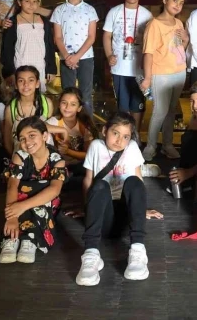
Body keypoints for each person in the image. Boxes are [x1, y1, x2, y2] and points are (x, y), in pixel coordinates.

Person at [75, 112, 164, 287]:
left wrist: (140, 210)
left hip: (126, 220)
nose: (119, 140)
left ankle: (138, 250)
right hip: (103, 220)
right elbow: (88, 180)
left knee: (133, 181)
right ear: (104, 131)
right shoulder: (96, 146)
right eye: (115, 133)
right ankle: (91, 254)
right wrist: (88, 208)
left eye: (125, 136)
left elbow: (138, 181)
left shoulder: (132, 148)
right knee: (100, 185)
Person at [0, 117, 68, 264]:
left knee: (42, 187)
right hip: (21, 198)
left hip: (46, 201)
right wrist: (11, 218)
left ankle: (29, 240)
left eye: (32, 135)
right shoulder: (20, 157)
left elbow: (55, 189)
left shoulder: (56, 159)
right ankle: (12, 239)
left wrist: (22, 206)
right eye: (22, 139)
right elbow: (12, 186)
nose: (27, 142)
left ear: (44, 136)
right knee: (21, 190)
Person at [140, 0, 189, 161]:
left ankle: (168, 145)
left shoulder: (179, 23)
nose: (178, 5)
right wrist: (147, 78)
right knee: (160, 111)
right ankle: (151, 146)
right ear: (164, 0)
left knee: (171, 110)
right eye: (175, 0)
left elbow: (180, 49)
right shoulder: (154, 24)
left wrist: (186, 39)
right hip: (161, 74)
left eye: (181, 2)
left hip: (179, 72)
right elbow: (148, 53)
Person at [102, 0, 153, 133]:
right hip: (120, 68)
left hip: (139, 70)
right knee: (123, 107)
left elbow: (151, 42)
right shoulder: (114, 12)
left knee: (138, 105)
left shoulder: (147, 15)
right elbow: (106, 36)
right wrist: (109, 55)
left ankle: (135, 136)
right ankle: (124, 136)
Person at [51, 0, 99, 115]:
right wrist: (67, 57)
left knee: (85, 94)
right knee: (67, 93)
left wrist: (77, 56)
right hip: (66, 58)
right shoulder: (59, 10)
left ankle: (87, 125)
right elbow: (57, 38)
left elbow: (91, 37)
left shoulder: (90, 10)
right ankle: (68, 123)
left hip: (85, 57)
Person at [0, 0, 57, 89]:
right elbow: (7, 49)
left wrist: (51, 69)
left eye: (35, 1)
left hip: (40, 66)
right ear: (19, 2)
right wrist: (10, 72)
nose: (31, 4)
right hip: (20, 66)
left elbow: (50, 46)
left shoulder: (44, 21)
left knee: (38, 95)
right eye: (27, 1)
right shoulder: (12, 22)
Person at [2, 66, 66, 157]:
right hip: (21, 153)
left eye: (31, 80)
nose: (26, 84)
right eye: (21, 81)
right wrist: (14, 157)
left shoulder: (46, 103)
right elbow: (8, 138)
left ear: (37, 84)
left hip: (44, 153)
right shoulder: (11, 108)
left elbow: (49, 130)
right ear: (16, 85)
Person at [45, 87, 99, 176]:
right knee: (44, 134)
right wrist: (63, 131)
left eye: (73, 104)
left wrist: (68, 151)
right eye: (64, 103)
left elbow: (88, 155)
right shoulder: (55, 121)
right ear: (59, 105)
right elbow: (38, 126)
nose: (67, 107)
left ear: (79, 108)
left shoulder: (84, 125)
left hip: (80, 166)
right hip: (58, 165)